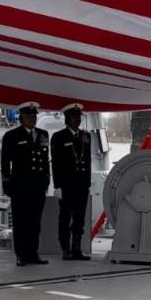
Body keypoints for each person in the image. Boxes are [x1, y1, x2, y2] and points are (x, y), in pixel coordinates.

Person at [1, 101, 51, 266]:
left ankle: (33, 253)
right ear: (22, 117)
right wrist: (6, 182)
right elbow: (5, 161)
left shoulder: (43, 134)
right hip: (20, 186)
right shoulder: (12, 136)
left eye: (34, 115)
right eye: (28, 115)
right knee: (21, 222)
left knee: (35, 222)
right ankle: (21, 255)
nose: (32, 118)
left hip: (38, 186)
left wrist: (46, 180)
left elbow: (44, 161)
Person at [50, 103, 92, 261]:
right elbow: (56, 163)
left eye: (79, 117)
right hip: (67, 185)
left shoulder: (85, 136)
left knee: (79, 219)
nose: (77, 120)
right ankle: (65, 249)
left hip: (81, 185)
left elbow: (87, 162)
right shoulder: (59, 137)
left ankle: (77, 249)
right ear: (67, 119)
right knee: (65, 217)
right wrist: (57, 186)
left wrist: (87, 184)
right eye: (74, 117)